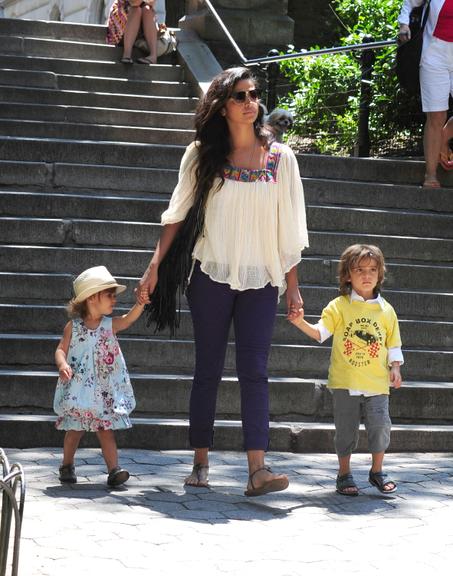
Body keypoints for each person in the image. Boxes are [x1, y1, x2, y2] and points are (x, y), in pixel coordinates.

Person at [136, 67, 309, 496]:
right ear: (221, 105)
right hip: (209, 273)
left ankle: (258, 470)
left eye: (253, 94)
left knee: (255, 371)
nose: (250, 102)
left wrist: (293, 285)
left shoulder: (281, 159)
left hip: (262, 278)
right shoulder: (201, 155)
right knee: (208, 369)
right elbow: (176, 214)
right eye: (239, 96)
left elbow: (289, 229)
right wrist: (154, 266)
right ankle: (200, 461)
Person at [288, 244, 403, 496]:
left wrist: (395, 367)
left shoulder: (387, 310)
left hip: (376, 382)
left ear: (380, 274)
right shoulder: (339, 306)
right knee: (346, 429)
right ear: (347, 275)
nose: (366, 275)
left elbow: (393, 343)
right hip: (344, 381)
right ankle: (344, 474)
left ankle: (377, 471)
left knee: (380, 425)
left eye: (373, 269)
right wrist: (299, 322)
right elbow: (320, 333)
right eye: (359, 269)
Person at [54, 265, 144, 486]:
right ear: (93, 297)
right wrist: (62, 363)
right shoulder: (73, 327)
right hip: (78, 389)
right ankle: (67, 464)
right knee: (74, 429)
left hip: (103, 391)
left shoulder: (109, 325)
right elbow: (60, 349)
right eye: (110, 295)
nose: (114, 300)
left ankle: (114, 469)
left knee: (106, 430)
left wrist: (140, 303)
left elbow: (129, 319)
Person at [398, 0, 453, 187]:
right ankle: (431, 175)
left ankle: (444, 136)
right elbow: (410, 3)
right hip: (433, 54)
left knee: (441, 124)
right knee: (436, 116)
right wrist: (403, 24)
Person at [106, 0, 158, 65]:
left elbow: (152, 2)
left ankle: (153, 56)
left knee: (147, 9)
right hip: (121, 21)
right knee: (136, 10)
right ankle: (127, 55)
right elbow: (134, 3)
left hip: (139, 23)